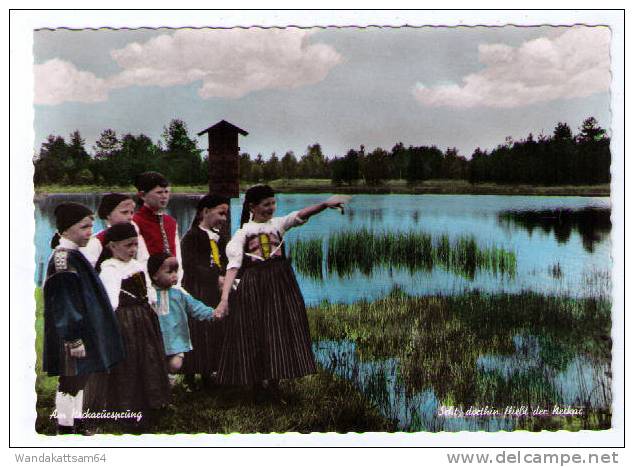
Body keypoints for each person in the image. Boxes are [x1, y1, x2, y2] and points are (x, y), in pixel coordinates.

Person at [215, 185, 347, 402]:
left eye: (273, 203)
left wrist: (324, 205)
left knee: (278, 330)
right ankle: (257, 386)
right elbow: (233, 267)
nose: (271, 208)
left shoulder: (278, 224)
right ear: (252, 207)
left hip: (280, 284)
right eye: (266, 204)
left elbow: (300, 215)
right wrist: (224, 299)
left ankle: (274, 385)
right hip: (255, 286)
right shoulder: (243, 233)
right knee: (255, 332)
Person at [43, 202, 125, 434]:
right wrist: (73, 338)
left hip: (83, 330)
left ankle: (77, 423)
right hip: (72, 333)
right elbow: (64, 302)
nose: (90, 232)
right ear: (67, 230)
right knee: (69, 382)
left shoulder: (74, 254)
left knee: (80, 379)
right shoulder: (63, 259)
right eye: (83, 227)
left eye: (91, 226)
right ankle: (65, 428)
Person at [97, 222, 170, 431]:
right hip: (125, 321)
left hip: (144, 318)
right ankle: (126, 409)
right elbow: (110, 302)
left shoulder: (137, 266)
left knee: (149, 359)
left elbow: (149, 290)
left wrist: (151, 304)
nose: (133, 250)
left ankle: (153, 404)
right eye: (128, 245)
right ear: (112, 246)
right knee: (129, 364)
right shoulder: (109, 269)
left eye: (135, 245)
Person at [180, 194, 229, 388]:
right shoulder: (191, 237)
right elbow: (190, 265)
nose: (224, 219)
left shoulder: (220, 238)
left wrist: (225, 277)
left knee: (215, 329)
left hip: (216, 290)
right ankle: (191, 374)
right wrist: (214, 277)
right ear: (205, 212)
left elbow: (226, 261)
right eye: (221, 213)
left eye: (225, 214)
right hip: (197, 289)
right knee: (196, 331)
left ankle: (210, 371)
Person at [147, 253, 216, 388]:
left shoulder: (179, 292)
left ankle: (169, 380)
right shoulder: (149, 293)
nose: (174, 275)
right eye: (169, 272)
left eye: (176, 271)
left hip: (176, 338)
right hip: (156, 340)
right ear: (155, 275)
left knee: (175, 364)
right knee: (155, 367)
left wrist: (212, 313)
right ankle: (161, 391)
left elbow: (195, 306)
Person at [132, 172, 183, 284]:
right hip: (148, 282)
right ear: (142, 195)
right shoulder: (135, 222)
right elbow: (139, 258)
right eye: (159, 192)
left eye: (166, 192)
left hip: (172, 281)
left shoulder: (171, 222)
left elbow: (177, 254)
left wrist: (177, 279)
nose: (164, 196)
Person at [80, 193, 149, 267]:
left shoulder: (137, 237)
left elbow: (144, 263)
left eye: (132, 213)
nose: (130, 217)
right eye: (124, 212)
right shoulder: (97, 242)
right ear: (108, 214)